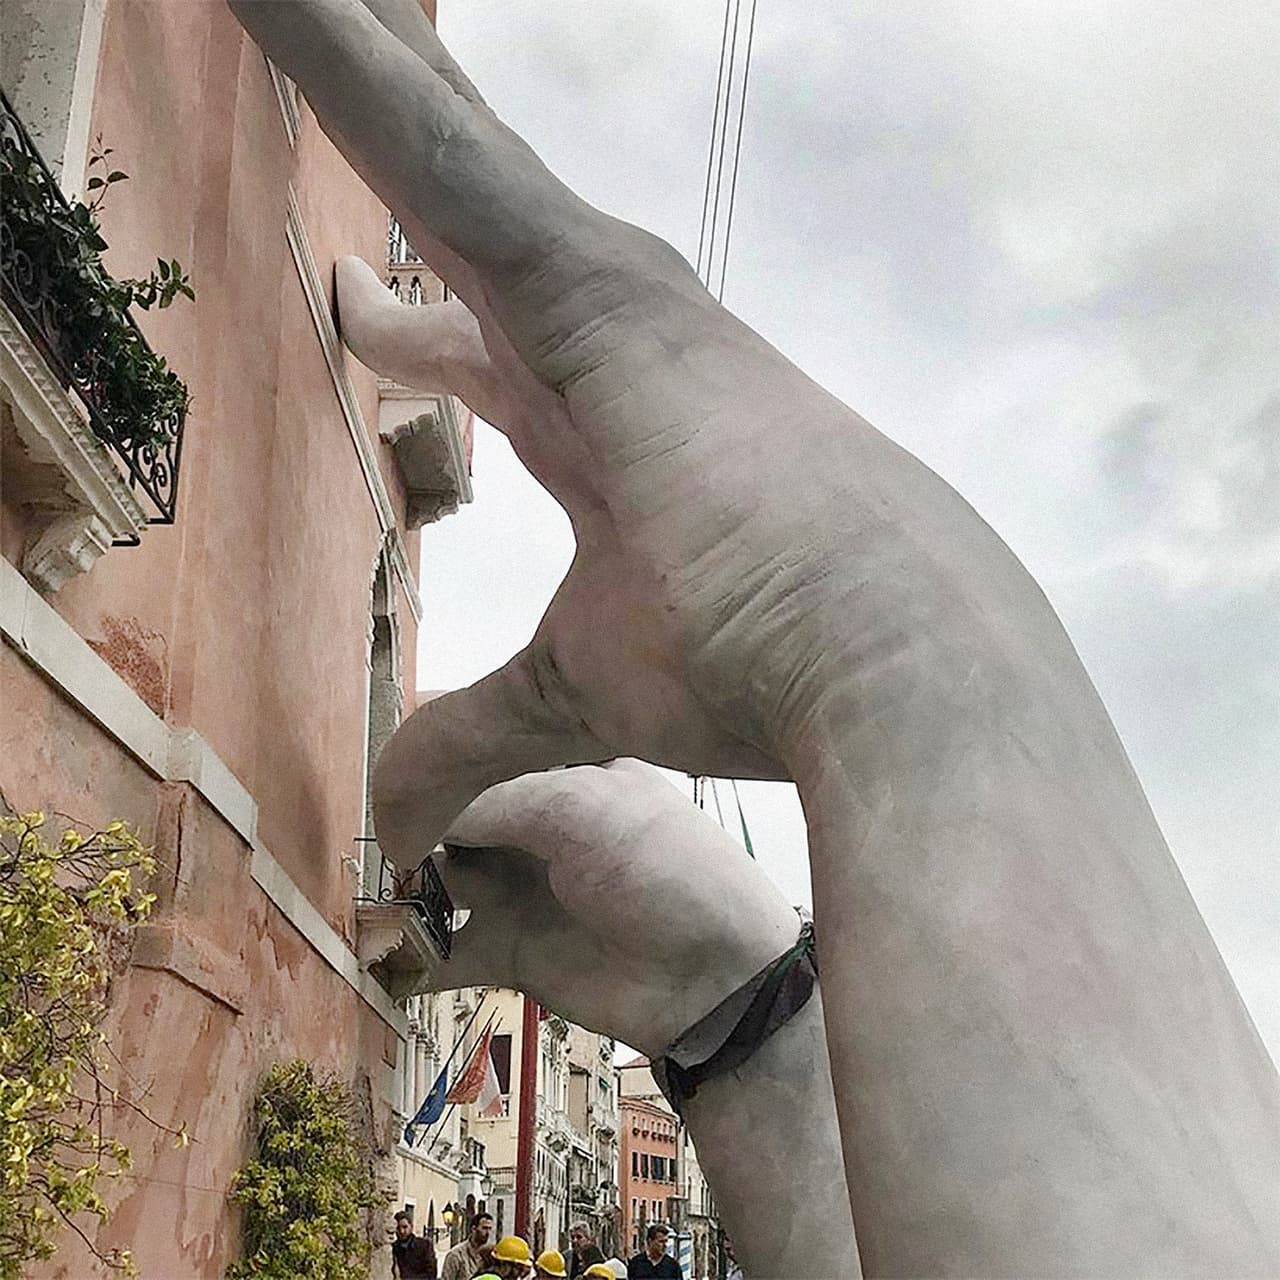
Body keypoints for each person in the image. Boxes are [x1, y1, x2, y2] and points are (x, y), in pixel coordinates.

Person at [440, 1212, 493, 1280]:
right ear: (473, 1229)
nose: (488, 1233)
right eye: (484, 1228)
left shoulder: (492, 1255)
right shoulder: (456, 1255)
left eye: (490, 1228)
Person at [392, 1212, 438, 1279]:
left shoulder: (424, 1245)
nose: (401, 1231)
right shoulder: (393, 1248)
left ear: (411, 1226)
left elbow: (431, 1273)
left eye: (405, 1227)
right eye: (398, 1228)